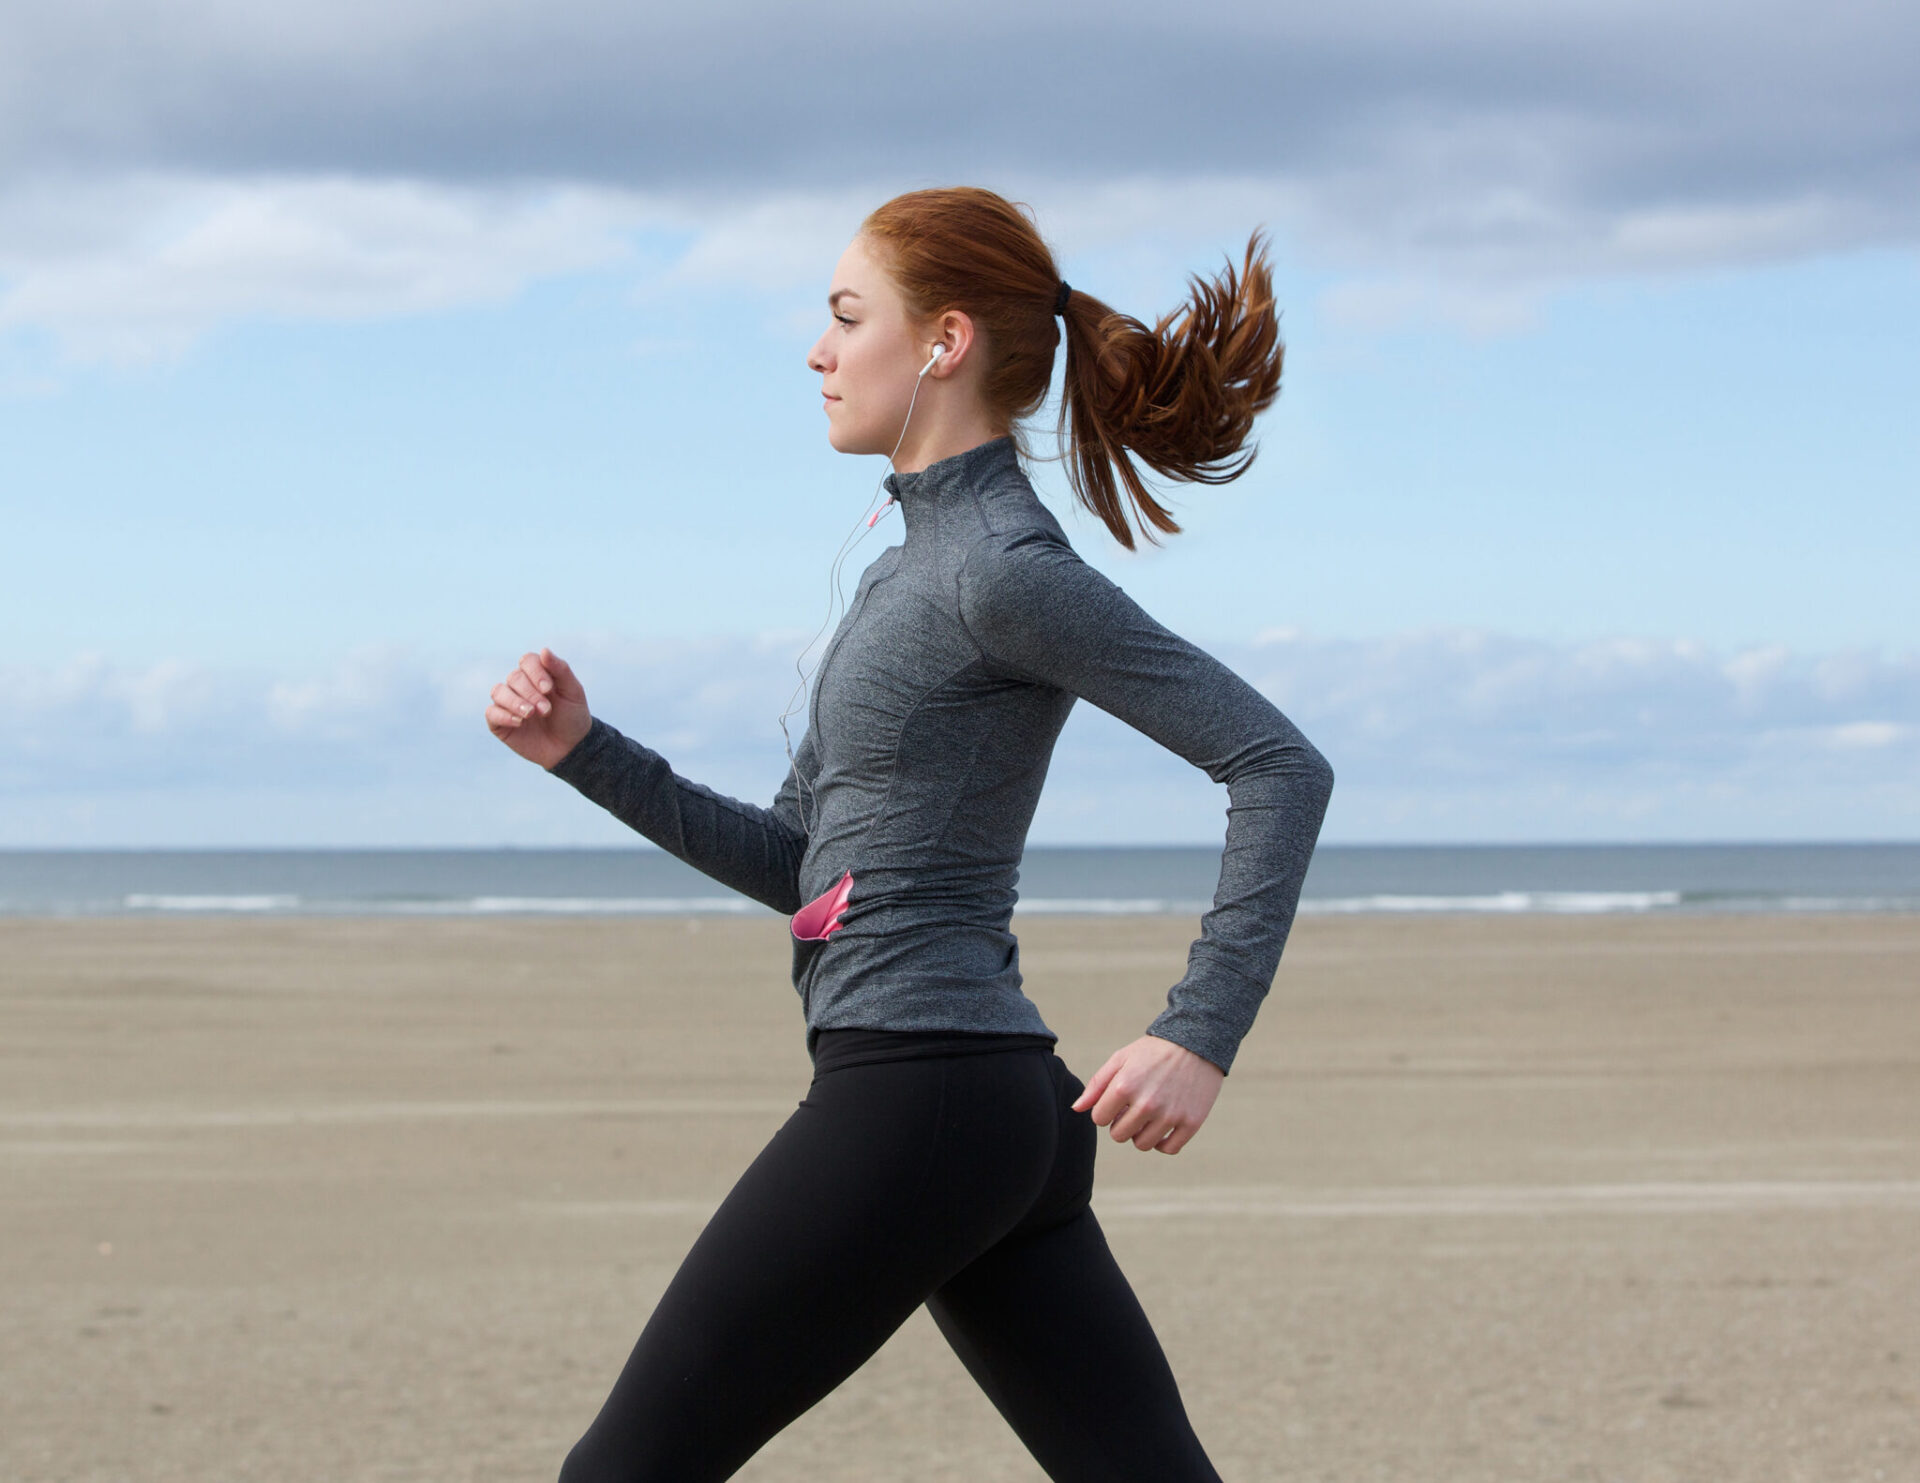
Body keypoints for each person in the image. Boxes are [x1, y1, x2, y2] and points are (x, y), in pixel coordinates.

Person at [485, 185, 1334, 1483]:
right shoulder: (906, 573)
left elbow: (1278, 764)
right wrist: (586, 755)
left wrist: (1196, 1031)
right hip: (987, 1110)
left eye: (845, 316)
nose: (818, 352)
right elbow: (806, 876)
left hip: (925, 1097)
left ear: (941, 343)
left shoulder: (1000, 568)